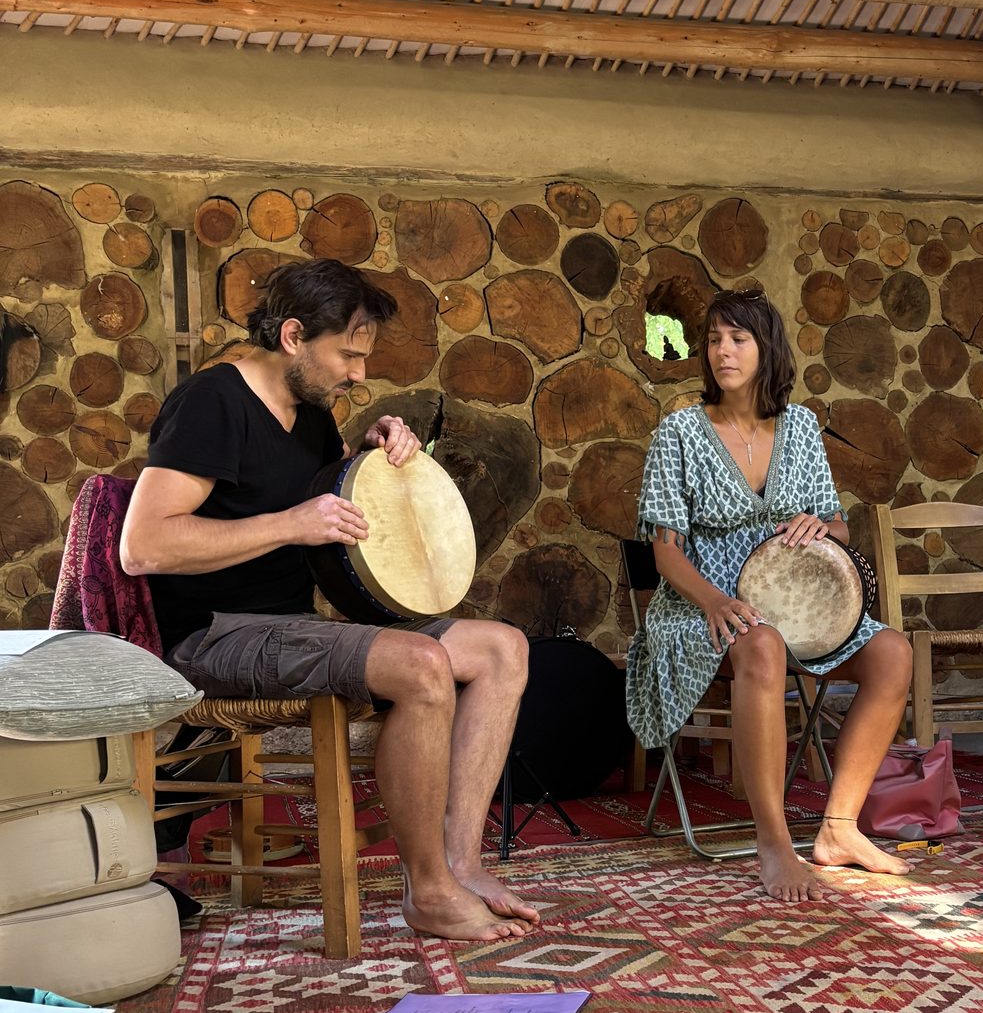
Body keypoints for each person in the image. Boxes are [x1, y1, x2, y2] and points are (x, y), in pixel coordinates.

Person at [120, 258, 539, 943]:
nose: (359, 374)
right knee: (421, 666)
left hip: (291, 627)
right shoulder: (211, 404)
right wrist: (291, 523)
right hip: (214, 634)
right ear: (292, 336)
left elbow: (334, 507)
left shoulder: (311, 416)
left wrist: (373, 457)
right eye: (347, 354)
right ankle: (429, 891)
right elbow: (144, 546)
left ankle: (461, 864)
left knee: (502, 648)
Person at [627, 284, 914, 903]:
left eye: (738, 339)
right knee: (761, 645)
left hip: (795, 607)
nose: (722, 351)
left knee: (893, 652)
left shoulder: (801, 426)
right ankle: (775, 844)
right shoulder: (679, 433)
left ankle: (838, 829)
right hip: (700, 607)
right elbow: (665, 551)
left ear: (768, 349)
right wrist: (715, 601)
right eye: (713, 340)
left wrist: (821, 526)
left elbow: (836, 525)